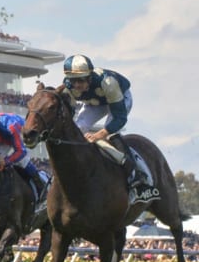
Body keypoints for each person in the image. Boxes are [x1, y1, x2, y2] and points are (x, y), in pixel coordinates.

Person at [62, 54, 158, 203]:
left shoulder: (108, 83)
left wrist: (99, 135)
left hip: (119, 98)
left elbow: (120, 118)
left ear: (90, 76)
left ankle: (137, 173)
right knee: (78, 129)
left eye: (81, 79)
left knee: (111, 136)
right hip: (94, 102)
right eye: (73, 80)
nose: (77, 85)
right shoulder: (67, 85)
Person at [0, 107, 46, 203]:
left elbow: (21, 152)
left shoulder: (11, 127)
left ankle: (40, 186)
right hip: (3, 137)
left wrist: (7, 161)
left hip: (20, 134)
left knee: (22, 161)